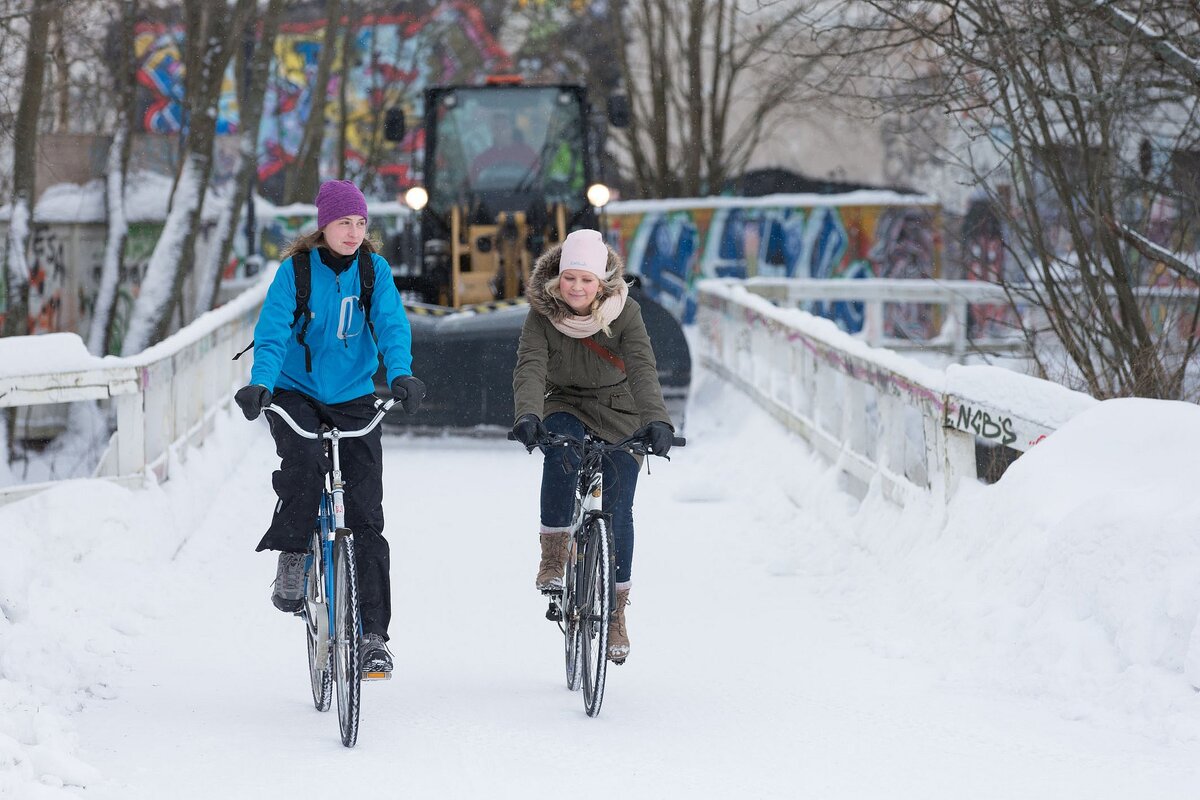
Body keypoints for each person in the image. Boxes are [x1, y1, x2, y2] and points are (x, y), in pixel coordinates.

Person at [234, 179, 425, 675]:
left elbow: (390, 324)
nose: (354, 232)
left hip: (354, 395)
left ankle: (372, 636)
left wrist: (400, 372)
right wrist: (261, 384)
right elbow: (272, 332)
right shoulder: (296, 271)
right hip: (296, 391)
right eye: (345, 222)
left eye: (361, 223)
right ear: (324, 225)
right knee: (303, 463)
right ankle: (294, 554)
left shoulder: (372, 270)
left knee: (366, 516)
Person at [511, 228, 675, 664]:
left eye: (586, 280)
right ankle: (554, 554)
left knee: (620, 507)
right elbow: (530, 366)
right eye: (570, 279)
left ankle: (617, 612)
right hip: (565, 403)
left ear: (601, 283)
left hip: (622, 410)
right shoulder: (542, 315)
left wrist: (656, 420)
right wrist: (527, 415)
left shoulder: (627, 313)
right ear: (558, 280)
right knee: (562, 454)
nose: (578, 288)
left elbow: (642, 367)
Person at [470, 110, 538, 186]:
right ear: (491, 131)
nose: (500, 131)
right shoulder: (482, 159)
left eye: (504, 127)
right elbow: (472, 186)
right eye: (496, 128)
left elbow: (539, 179)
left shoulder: (527, 153)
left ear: (511, 129)